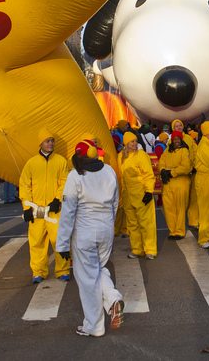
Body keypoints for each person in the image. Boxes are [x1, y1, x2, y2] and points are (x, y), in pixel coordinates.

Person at [55, 140, 125, 337]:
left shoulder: (75, 175)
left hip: (85, 231)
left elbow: (68, 211)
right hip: (105, 228)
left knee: (87, 278)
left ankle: (94, 325)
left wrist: (62, 244)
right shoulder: (109, 170)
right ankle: (112, 299)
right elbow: (116, 201)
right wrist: (110, 225)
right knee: (99, 270)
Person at [19, 132, 70, 283]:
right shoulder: (31, 163)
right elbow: (24, 185)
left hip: (55, 210)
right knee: (37, 242)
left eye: (52, 141)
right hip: (37, 210)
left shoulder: (61, 161)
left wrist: (57, 199)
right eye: (47, 141)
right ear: (40, 143)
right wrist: (26, 207)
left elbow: (65, 181)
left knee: (59, 240)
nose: (50, 144)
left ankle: (63, 270)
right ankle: (38, 272)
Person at [120, 131, 157, 258]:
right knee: (132, 224)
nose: (135, 144)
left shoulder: (141, 155)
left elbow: (148, 174)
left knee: (146, 223)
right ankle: (137, 249)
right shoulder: (121, 156)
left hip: (141, 194)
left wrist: (148, 191)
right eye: (132, 141)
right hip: (127, 195)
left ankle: (150, 250)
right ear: (126, 144)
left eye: (135, 141)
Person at [158, 131, 192, 240]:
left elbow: (186, 167)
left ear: (181, 139)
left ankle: (180, 231)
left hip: (181, 182)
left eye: (178, 139)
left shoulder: (184, 150)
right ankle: (172, 230)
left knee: (180, 208)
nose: (176, 141)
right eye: (174, 139)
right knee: (168, 207)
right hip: (168, 183)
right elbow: (161, 162)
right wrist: (162, 170)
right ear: (172, 140)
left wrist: (172, 173)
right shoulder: (167, 150)